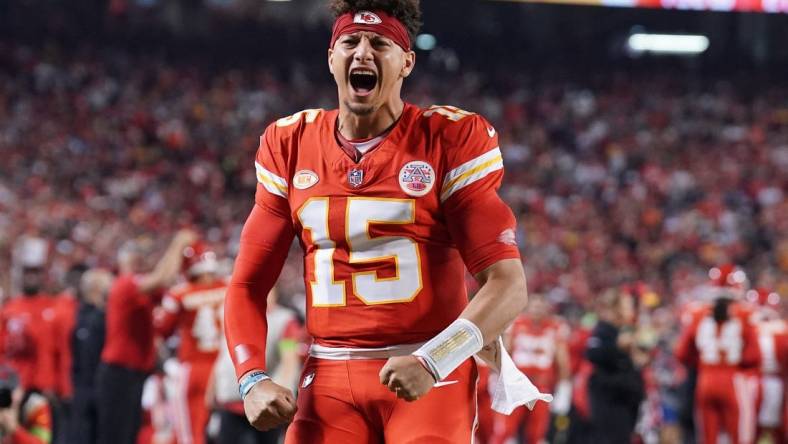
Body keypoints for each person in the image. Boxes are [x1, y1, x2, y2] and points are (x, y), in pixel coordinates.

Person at [223, 0, 544, 442]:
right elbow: (247, 285)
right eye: (350, 41)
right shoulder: (290, 142)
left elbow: (509, 284)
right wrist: (251, 378)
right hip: (330, 374)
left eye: (380, 43)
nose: (362, 52)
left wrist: (435, 360)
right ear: (331, 58)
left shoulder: (448, 138)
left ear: (407, 62)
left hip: (427, 373)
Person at [96, 229, 197, 444]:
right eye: (136, 256)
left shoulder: (138, 285)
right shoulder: (124, 284)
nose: (140, 260)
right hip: (119, 373)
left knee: (128, 432)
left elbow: (169, 283)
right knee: (117, 434)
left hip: (133, 373)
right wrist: (177, 245)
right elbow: (163, 278)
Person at [208, 289, 302, 444]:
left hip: (263, 405)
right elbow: (223, 357)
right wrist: (212, 388)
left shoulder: (284, 320)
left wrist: (284, 399)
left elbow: (289, 361)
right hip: (230, 402)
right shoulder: (233, 315)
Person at [155, 242, 227, 444]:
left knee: (190, 432)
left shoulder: (180, 293)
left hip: (194, 366)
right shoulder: (229, 287)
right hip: (227, 368)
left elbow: (161, 328)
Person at [675, 287, 761, 444]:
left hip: (705, 379)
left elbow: (682, 353)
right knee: (738, 434)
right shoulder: (745, 314)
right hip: (732, 379)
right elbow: (753, 356)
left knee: (708, 436)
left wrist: (700, 363)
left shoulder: (697, 313)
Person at [490, 293, 571, 444]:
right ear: (528, 307)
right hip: (517, 384)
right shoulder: (517, 324)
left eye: (540, 307)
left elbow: (562, 360)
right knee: (505, 431)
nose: (537, 310)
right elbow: (505, 353)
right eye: (534, 306)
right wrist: (496, 377)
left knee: (536, 433)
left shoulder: (555, 327)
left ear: (547, 309)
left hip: (541, 386)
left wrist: (564, 387)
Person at [584, 288, 646, 444]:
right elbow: (592, 354)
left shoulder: (628, 331)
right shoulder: (604, 329)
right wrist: (617, 347)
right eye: (626, 306)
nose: (630, 310)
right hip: (610, 397)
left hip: (626, 396)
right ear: (616, 309)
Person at [69, 268, 113, 444]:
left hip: (81, 389)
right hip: (92, 390)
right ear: (97, 289)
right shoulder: (96, 319)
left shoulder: (76, 315)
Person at [0, 266, 57, 395]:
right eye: (28, 274)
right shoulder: (10, 309)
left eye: (35, 274)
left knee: (38, 414)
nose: (31, 279)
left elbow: (58, 348)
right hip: (14, 379)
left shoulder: (51, 307)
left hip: (43, 379)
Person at [0, 365, 52, 444]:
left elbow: (41, 443)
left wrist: (15, 429)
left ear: (20, 390)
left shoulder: (35, 405)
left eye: (8, 391)